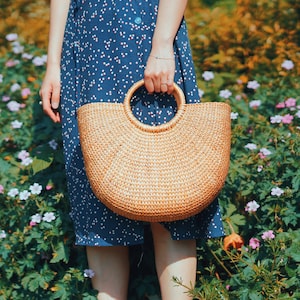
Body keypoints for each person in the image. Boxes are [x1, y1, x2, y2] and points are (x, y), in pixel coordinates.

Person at [40, 1, 224, 299]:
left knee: (168, 187)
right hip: (86, 44)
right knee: (99, 193)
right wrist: (54, 63)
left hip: (144, 33)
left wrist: (162, 44)